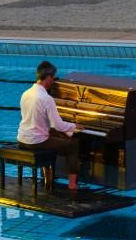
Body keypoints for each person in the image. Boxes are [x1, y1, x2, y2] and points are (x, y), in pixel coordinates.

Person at [17, 61, 85, 190]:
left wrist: (66, 131)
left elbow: (34, 120)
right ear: (48, 78)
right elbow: (58, 125)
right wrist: (74, 126)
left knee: (58, 136)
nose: (53, 81)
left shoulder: (25, 93)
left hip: (22, 138)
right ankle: (72, 185)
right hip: (36, 141)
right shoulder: (46, 98)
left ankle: (49, 177)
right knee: (73, 145)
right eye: (53, 78)